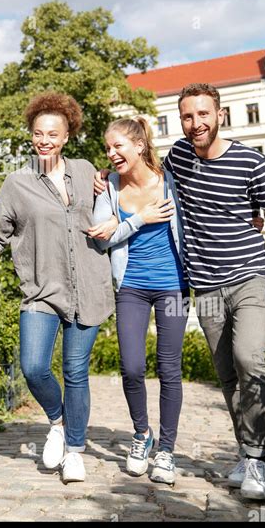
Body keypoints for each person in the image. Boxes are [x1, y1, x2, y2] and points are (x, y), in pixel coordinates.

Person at [0, 92, 114, 483]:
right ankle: (58, 422)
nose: (44, 139)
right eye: (38, 133)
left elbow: (115, 206)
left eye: (53, 134)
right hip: (41, 290)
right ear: (31, 136)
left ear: (66, 137)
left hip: (88, 288)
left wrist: (117, 222)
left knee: (76, 372)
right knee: (33, 367)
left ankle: (75, 451)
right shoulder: (17, 183)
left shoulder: (85, 171)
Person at [163, 83, 265, 501]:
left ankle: (260, 460)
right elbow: (144, 170)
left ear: (219, 115)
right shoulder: (178, 156)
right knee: (227, 374)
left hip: (250, 276)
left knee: (250, 359)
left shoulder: (251, 161)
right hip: (205, 284)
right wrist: (104, 176)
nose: (196, 124)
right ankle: (248, 452)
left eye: (203, 114)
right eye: (188, 116)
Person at [88, 116, 189, 486]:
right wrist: (138, 220)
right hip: (130, 286)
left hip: (174, 287)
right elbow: (101, 240)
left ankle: (167, 450)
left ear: (140, 146)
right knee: (131, 366)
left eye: (118, 146)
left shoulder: (171, 183)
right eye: (108, 148)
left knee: (169, 368)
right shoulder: (109, 188)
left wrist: (121, 225)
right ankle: (141, 435)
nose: (111, 153)